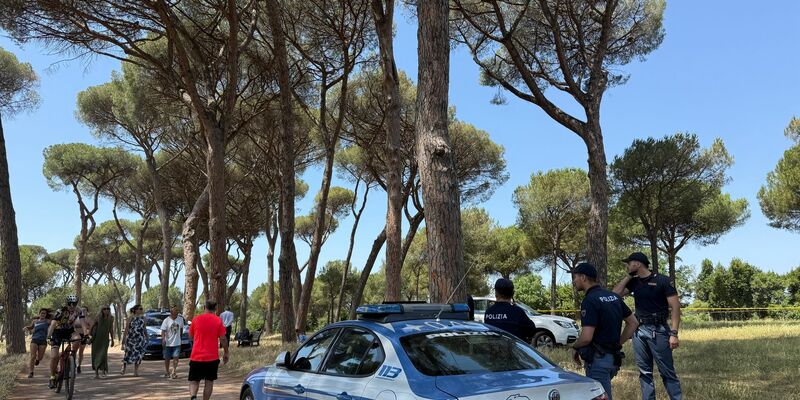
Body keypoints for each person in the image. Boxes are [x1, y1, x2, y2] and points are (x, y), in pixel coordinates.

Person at [613, 252, 683, 400]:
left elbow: (676, 307)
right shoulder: (634, 282)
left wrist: (674, 333)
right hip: (639, 332)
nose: (627, 266)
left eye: (629, 263)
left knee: (667, 372)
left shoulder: (663, 280)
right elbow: (615, 294)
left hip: (659, 331)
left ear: (637, 264)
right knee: (645, 373)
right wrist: (628, 277)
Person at [572, 262, 638, 400]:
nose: (574, 281)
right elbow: (633, 323)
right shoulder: (613, 297)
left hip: (598, 361)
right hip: (613, 359)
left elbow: (586, 337)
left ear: (583, 277)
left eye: (575, 277)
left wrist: (574, 347)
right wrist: (617, 344)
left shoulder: (589, 300)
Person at [188, 299, 229, 400]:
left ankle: (193, 397)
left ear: (204, 307)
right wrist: (226, 352)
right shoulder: (218, 320)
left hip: (196, 356)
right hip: (212, 358)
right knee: (209, 381)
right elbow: (223, 338)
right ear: (215, 309)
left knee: (194, 381)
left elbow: (190, 336)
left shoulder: (196, 319)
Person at [47, 295, 90, 389]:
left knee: (78, 338)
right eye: (70, 304)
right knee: (54, 356)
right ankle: (52, 377)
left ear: (76, 304)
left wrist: (86, 335)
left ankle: (71, 356)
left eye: (74, 304)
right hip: (57, 332)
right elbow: (53, 323)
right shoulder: (61, 311)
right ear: (67, 304)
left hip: (69, 331)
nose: (72, 306)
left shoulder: (79, 310)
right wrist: (48, 337)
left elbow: (83, 323)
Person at [483, 278, 536, 342]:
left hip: (493, 350)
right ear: (512, 294)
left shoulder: (488, 312)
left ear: (496, 293)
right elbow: (532, 331)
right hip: (512, 350)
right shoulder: (517, 312)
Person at [121, 304, 147, 377]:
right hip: (131, 339)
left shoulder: (144, 318)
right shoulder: (130, 318)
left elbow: (144, 329)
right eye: (140, 309)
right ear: (135, 310)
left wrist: (147, 338)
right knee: (128, 353)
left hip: (140, 339)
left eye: (142, 309)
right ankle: (124, 368)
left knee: (139, 355)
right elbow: (126, 329)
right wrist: (124, 339)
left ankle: (136, 371)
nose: (141, 310)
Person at [161, 305, 186, 379]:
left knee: (176, 357)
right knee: (167, 358)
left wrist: (180, 338)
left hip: (177, 342)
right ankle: (167, 371)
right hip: (168, 343)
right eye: (175, 310)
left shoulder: (180, 319)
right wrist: (163, 339)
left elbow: (181, 329)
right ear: (171, 312)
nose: (177, 312)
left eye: (177, 310)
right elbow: (163, 331)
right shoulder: (166, 320)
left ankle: (174, 371)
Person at [91, 305, 115, 379]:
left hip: (105, 340)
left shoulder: (111, 318)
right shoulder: (98, 317)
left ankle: (103, 370)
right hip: (96, 339)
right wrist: (89, 337)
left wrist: (112, 339)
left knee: (103, 355)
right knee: (95, 355)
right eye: (104, 309)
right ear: (102, 310)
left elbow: (111, 329)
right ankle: (96, 373)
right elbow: (92, 326)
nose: (106, 310)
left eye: (108, 309)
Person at [25, 308, 50, 378]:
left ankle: (38, 359)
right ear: (39, 314)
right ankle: (31, 372)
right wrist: (26, 327)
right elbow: (30, 327)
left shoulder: (48, 321)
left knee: (40, 357)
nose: (43, 314)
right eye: (41, 313)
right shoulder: (35, 321)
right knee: (32, 356)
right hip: (34, 339)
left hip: (43, 341)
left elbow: (54, 325)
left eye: (44, 313)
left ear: (46, 315)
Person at [76, 306, 90, 373]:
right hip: (76, 336)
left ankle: (79, 365)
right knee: (74, 350)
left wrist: (88, 335)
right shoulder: (77, 318)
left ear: (87, 312)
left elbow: (90, 328)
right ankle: (72, 364)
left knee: (81, 352)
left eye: (85, 310)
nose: (83, 311)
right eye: (82, 310)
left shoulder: (87, 319)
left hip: (84, 336)